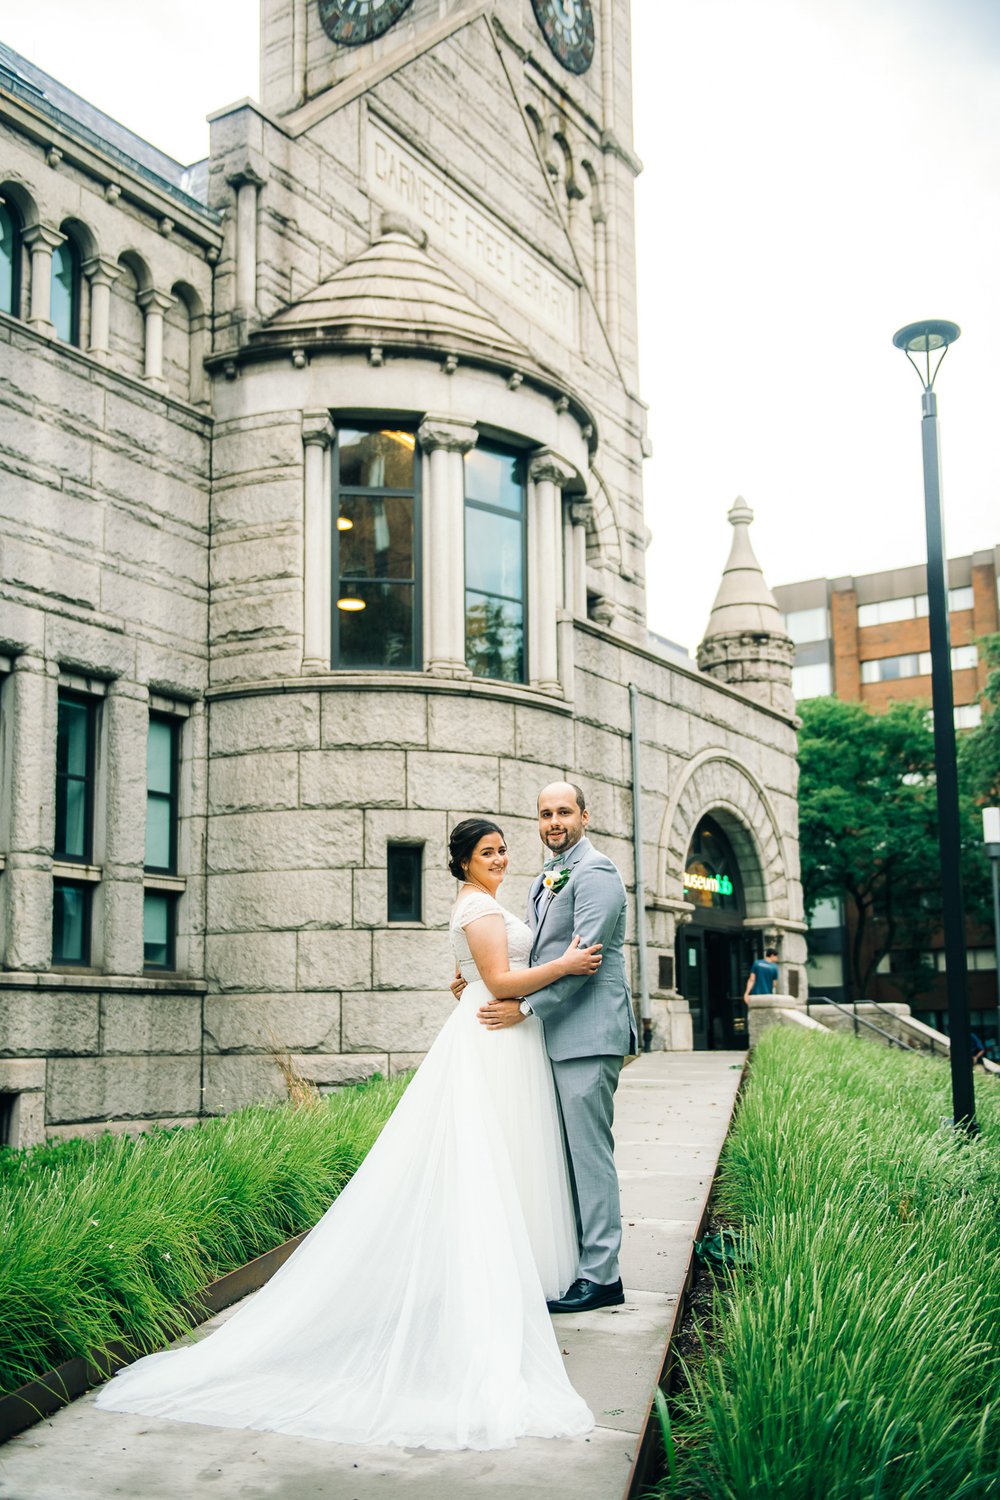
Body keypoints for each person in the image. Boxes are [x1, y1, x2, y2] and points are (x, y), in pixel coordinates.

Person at [96, 819, 598, 1451]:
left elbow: (473, 976)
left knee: (504, 1161)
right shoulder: (477, 905)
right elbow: (497, 983)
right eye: (486, 852)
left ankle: (504, 1282)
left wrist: (484, 979)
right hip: (495, 1036)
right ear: (463, 863)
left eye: (501, 850)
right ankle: (485, 1291)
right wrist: (566, 964)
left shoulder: (483, 905)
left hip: (501, 1035)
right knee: (485, 1163)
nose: (498, 859)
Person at [461, 782, 638, 1315]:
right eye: (544, 814)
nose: (553, 821)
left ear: (585, 815)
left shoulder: (597, 872)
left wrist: (527, 1007)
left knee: (589, 1155)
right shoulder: (546, 875)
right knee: (563, 1158)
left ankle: (602, 1276)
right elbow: (536, 951)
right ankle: (578, 1265)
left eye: (563, 812)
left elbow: (584, 960)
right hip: (555, 1036)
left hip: (588, 1031)